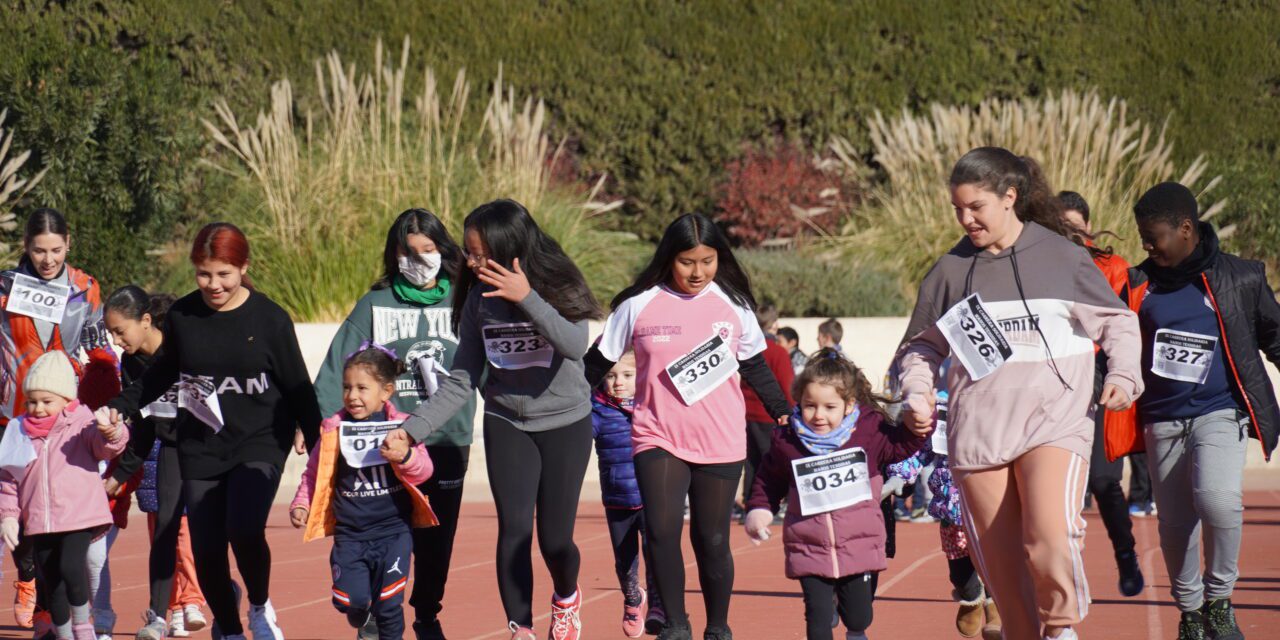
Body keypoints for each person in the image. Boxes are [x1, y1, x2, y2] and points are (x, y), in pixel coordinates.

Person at [897, 147, 1142, 640]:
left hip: (1055, 424)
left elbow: (1118, 322)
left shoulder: (1064, 257)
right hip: (979, 437)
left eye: (976, 207)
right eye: (957, 209)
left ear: (1009, 197)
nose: (966, 219)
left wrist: (1122, 375)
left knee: (1050, 537)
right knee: (1003, 571)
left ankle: (1061, 627)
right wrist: (917, 393)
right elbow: (919, 348)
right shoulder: (949, 271)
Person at [108, 222, 322, 640]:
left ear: (244, 267)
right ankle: (231, 629)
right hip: (202, 443)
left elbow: (299, 388)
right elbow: (159, 376)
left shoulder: (270, 318)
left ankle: (259, 606)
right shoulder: (185, 317)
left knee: (243, 527)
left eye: (224, 273)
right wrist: (121, 405)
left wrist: (320, 454)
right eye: (204, 274)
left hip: (260, 438)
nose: (213, 284)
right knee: (206, 552)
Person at [397, 200, 600, 640]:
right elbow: (461, 380)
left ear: (508, 246)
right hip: (507, 421)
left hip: (565, 421)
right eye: (468, 252)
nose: (468, 261)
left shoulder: (561, 281)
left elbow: (574, 345)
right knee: (513, 530)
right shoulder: (476, 300)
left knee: (555, 540)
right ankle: (520, 627)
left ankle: (566, 596)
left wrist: (527, 298)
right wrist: (411, 429)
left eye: (476, 251)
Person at [585, 213, 791, 640]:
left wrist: (782, 410)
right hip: (656, 434)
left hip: (720, 439)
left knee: (711, 539)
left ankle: (718, 627)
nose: (698, 272)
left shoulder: (734, 305)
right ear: (668, 258)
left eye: (708, 261)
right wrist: (560, 406)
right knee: (660, 531)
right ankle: (675, 625)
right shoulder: (637, 305)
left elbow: (754, 364)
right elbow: (595, 363)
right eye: (686, 262)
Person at [1107, 181, 1280, 639]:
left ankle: (1220, 600)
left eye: (1153, 236)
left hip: (1221, 412)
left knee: (1219, 501)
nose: (1146, 245)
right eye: (1142, 236)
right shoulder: (1138, 284)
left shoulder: (1241, 277)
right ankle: (1191, 612)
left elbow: (1275, 336)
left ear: (1186, 229)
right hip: (1161, 420)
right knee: (1176, 524)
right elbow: (1114, 347)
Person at [312, 209, 476, 640]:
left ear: (443, 251)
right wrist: (315, 421)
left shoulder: (466, 298)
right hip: (382, 445)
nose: (419, 260)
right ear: (394, 255)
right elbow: (338, 367)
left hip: (447, 437)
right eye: (409, 252)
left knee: (437, 540)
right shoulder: (375, 303)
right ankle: (373, 612)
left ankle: (425, 614)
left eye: (428, 250)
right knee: (386, 533)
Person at [743, 349, 926, 640]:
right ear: (799, 402)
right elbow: (769, 478)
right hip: (809, 544)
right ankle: (827, 607)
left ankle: (855, 629)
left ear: (848, 404)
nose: (818, 415)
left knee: (859, 615)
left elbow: (901, 446)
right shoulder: (788, 439)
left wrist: (919, 423)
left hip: (858, 543)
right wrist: (759, 509)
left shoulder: (868, 430)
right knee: (817, 618)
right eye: (809, 406)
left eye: (829, 407)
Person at [0, 208, 120, 630]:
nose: (47, 259)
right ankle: (28, 578)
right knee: (18, 506)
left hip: (64, 412)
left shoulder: (85, 287)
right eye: (38, 250)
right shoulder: (5, 286)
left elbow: (96, 343)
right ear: (26, 248)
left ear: (69, 242)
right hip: (15, 411)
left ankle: (52, 611)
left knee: (56, 515)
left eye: (55, 250)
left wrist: (106, 383)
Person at [291, 344, 437, 640]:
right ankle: (360, 614)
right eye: (347, 388)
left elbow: (425, 471)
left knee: (390, 604)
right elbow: (314, 474)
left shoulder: (403, 427)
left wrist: (405, 457)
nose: (352, 396)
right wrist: (302, 504)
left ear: (386, 391)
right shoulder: (334, 429)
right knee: (353, 602)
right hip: (351, 535)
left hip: (394, 532)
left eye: (361, 388)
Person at [102, 286, 209, 639]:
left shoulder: (185, 347)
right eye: (111, 333)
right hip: (171, 448)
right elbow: (145, 424)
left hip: (211, 446)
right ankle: (157, 617)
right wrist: (120, 473)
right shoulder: (131, 363)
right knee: (165, 525)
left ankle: (223, 594)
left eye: (121, 331)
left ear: (146, 321)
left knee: (218, 533)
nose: (117, 341)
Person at [0, 352, 129, 640]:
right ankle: (64, 634)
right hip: (40, 521)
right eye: (32, 401)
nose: (39, 408)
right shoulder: (17, 430)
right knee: (52, 583)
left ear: (65, 400)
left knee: (71, 567)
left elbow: (105, 447)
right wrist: (8, 517)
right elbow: (8, 480)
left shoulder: (81, 421)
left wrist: (112, 431)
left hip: (78, 516)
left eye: (47, 401)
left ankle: (84, 627)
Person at [1058, 190, 1145, 597]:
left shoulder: (1114, 267)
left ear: (1089, 227)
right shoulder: (1037, 264)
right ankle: (1059, 576)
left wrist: (1121, 376)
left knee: (1103, 480)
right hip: (1054, 377)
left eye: (1077, 227)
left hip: (1098, 374)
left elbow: (1126, 323)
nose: (1071, 235)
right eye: (1063, 228)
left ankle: (1125, 554)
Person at [591, 350, 664, 637]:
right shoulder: (597, 408)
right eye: (610, 376)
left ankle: (658, 605)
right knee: (625, 562)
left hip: (651, 497)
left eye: (627, 375)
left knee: (656, 552)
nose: (618, 382)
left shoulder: (654, 405)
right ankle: (633, 599)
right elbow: (581, 435)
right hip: (617, 498)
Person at [739, 305, 794, 516]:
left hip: (748, 413)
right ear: (774, 324)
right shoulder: (777, 352)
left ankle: (750, 504)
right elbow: (787, 384)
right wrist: (791, 411)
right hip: (769, 414)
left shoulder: (748, 347)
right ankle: (768, 504)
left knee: (751, 461)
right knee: (771, 460)